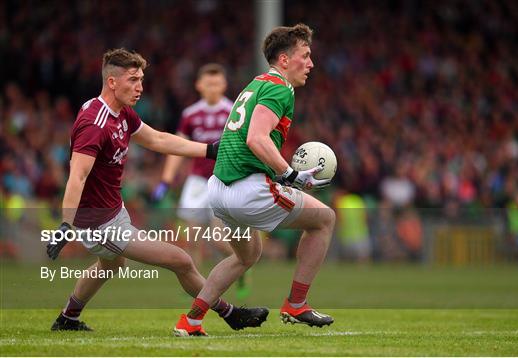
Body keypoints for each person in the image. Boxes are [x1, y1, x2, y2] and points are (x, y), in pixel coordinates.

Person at [45, 49, 268, 335]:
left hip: (113, 210)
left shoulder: (120, 112)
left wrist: (210, 150)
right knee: (181, 259)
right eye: (133, 80)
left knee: (110, 265)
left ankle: (68, 318)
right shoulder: (95, 124)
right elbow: (77, 175)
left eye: (141, 79)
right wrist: (66, 223)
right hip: (98, 222)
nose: (140, 87)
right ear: (112, 82)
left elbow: (157, 139)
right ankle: (230, 313)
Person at [174, 24, 335, 337]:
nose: (311, 64)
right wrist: (290, 174)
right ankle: (296, 304)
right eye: (306, 55)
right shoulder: (280, 87)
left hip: (218, 190)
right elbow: (256, 138)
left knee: (246, 255)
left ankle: (191, 320)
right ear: (285, 60)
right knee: (325, 220)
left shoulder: (256, 83)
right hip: (248, 191)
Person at [152, 64, 251, 298]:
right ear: (199, 85)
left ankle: (242, 263)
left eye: (217, 83)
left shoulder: (234, 110)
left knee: (218, 239)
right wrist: (165, 181)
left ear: (224, 85)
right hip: (196, 182)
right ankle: (200, 291)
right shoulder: (190, 115)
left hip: (223, 180)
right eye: (208, 83)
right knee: (193, 240)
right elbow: (177, 146)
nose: (213, 88)